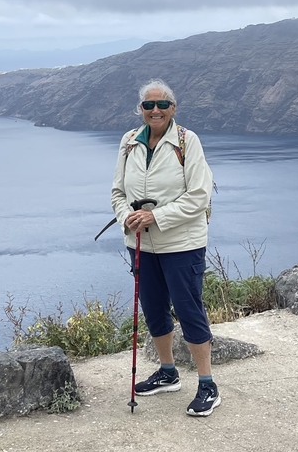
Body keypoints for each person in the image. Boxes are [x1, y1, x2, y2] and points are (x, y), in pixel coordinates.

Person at [110, 79, 219, 417]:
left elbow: (200, 197)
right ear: (140, 109)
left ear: (174, 108)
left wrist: (155, 217)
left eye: (162, 104)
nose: (155, 110)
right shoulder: (129, 142)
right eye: (148, 105)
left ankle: (207, 384)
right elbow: (117, 192)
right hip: (141, 244)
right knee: (154, 310)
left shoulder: (187, 142)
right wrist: (126, 217)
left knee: (189, 310)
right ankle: (168, 373)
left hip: (181, 244)